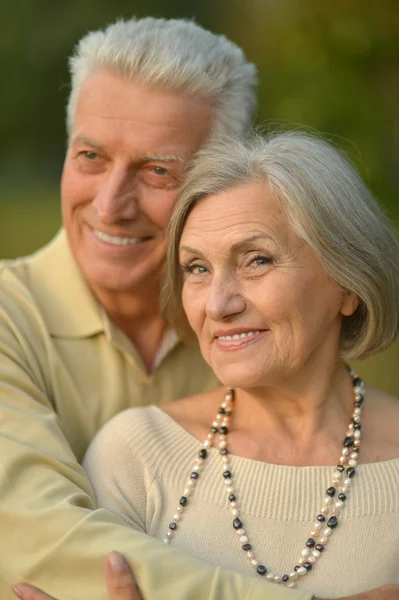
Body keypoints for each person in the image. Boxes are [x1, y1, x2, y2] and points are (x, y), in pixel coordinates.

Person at [0, 14, 310, 600]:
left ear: (218, 185)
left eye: (158, 171)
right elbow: (36, 545)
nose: (112, 205)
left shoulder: (269, 335)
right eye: (91, 156)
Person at [76, 132, 399, 599]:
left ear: (348, 284)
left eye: (256, 260)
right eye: (197, 268)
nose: (218, 304)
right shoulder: (134, 458)